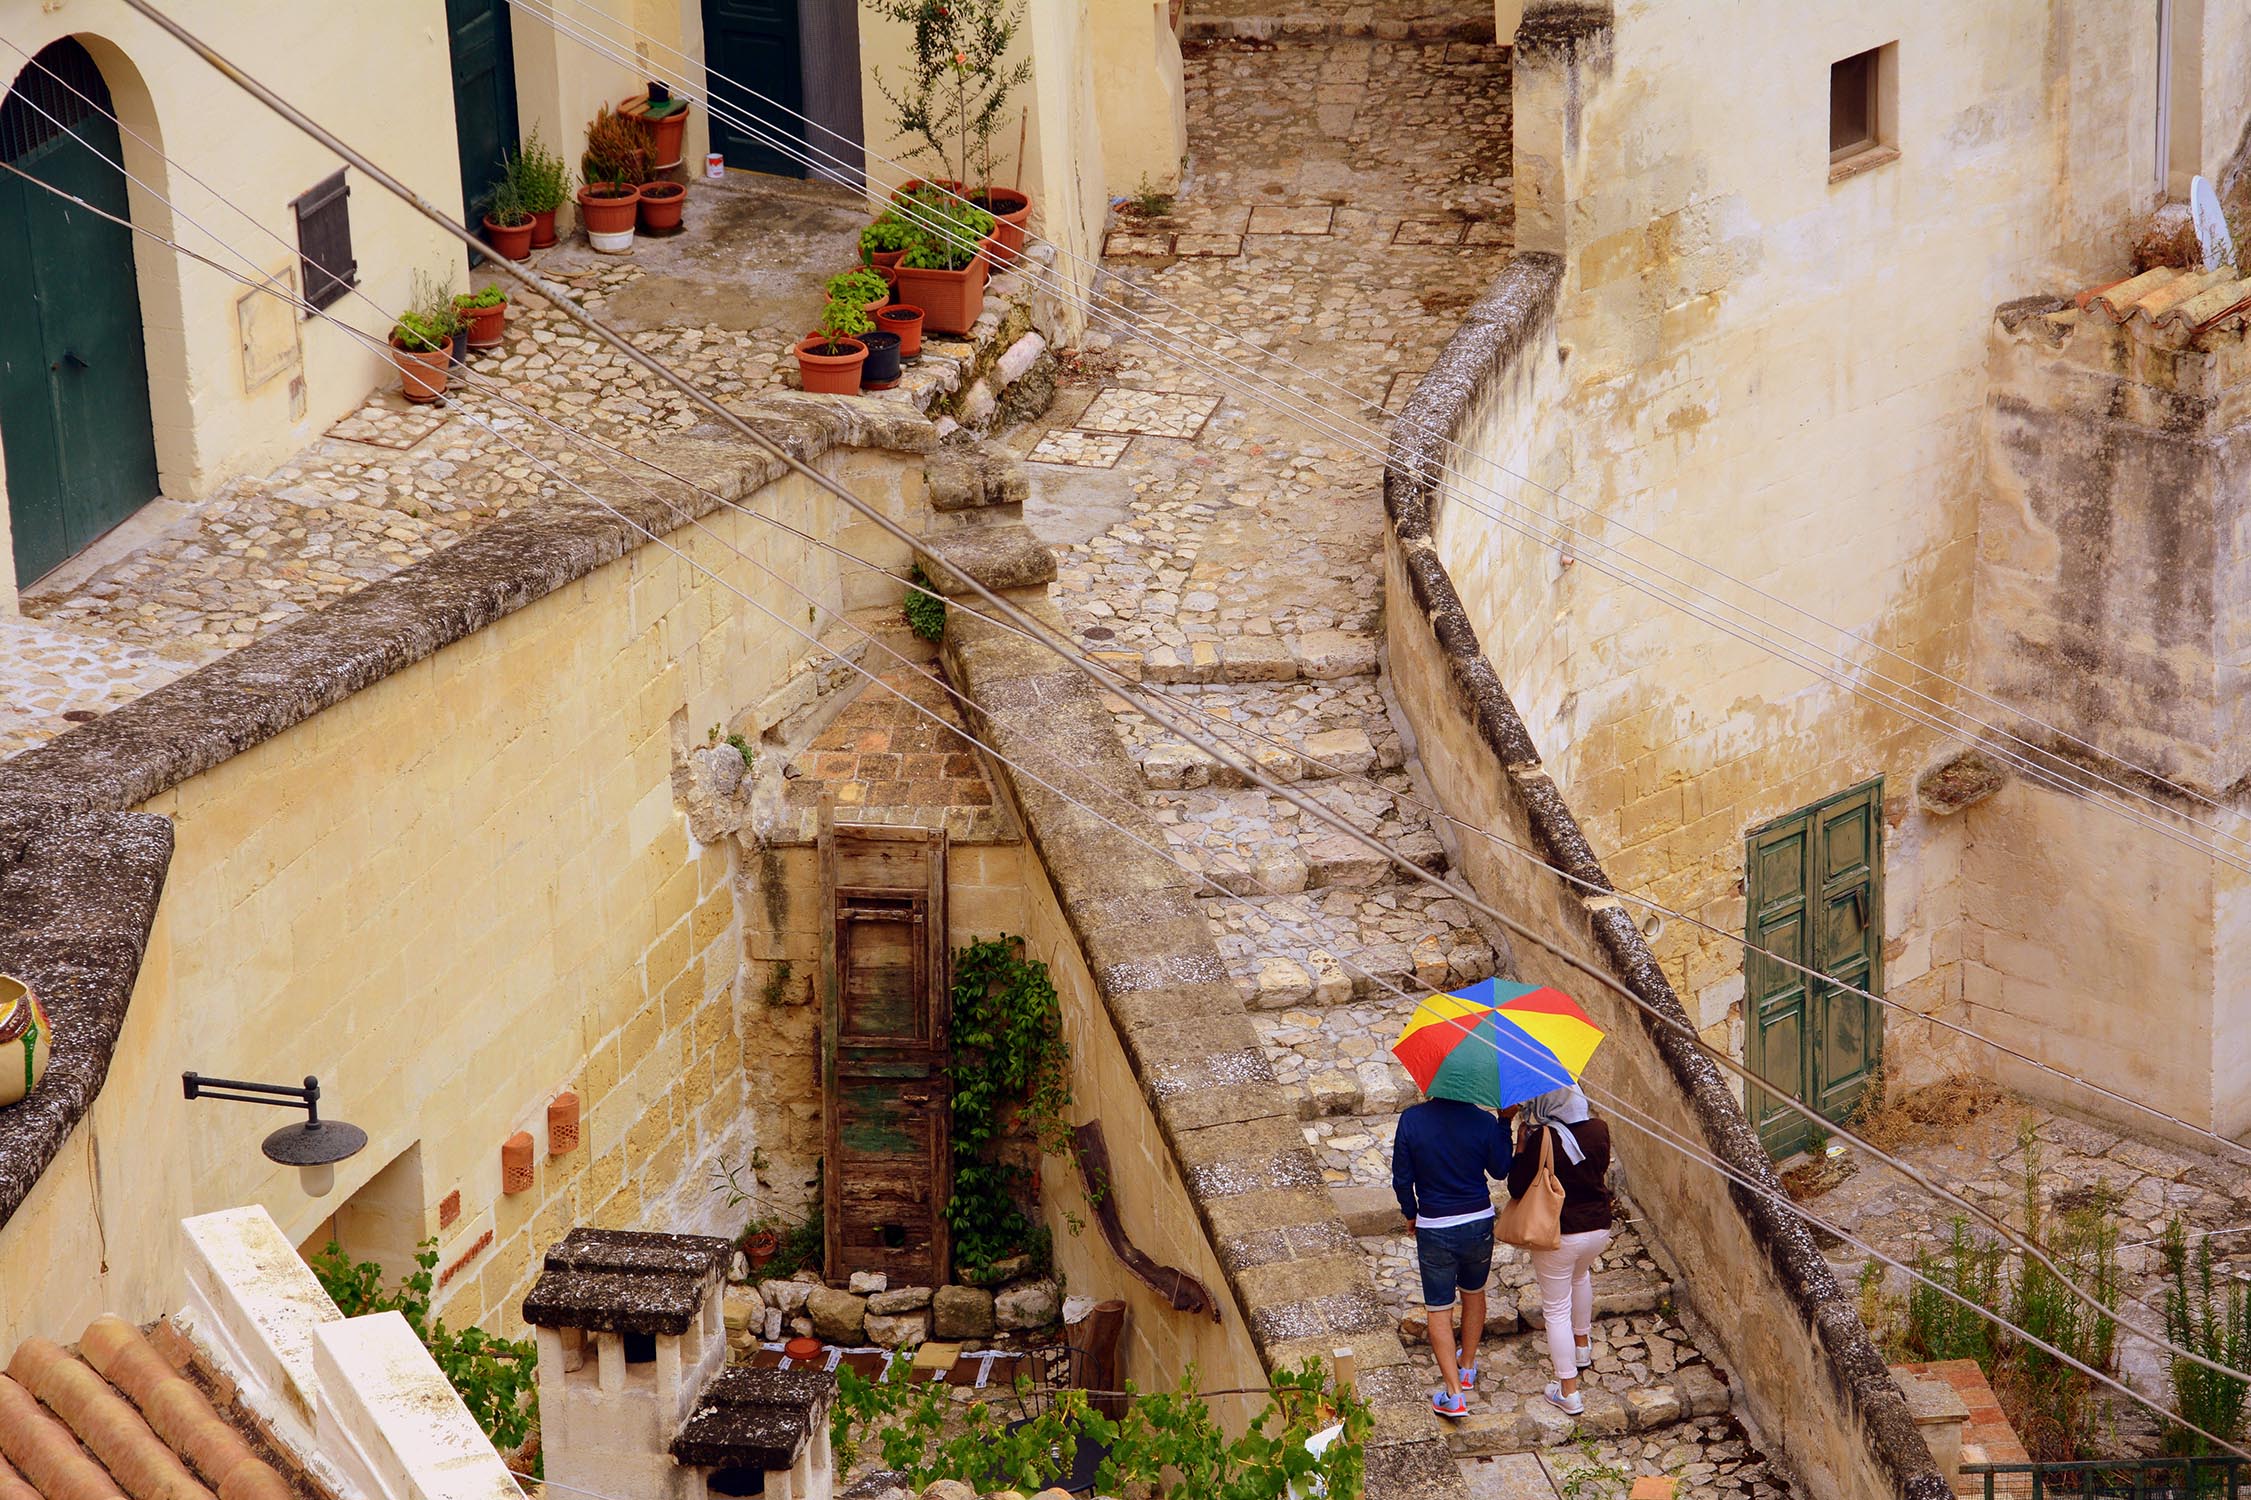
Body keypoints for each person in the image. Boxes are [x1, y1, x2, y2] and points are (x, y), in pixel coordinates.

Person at [1391, 1095, 1513, 1418]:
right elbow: (1501, 1169)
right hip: (1478, 1221)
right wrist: (1505, 1122)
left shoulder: (1412, 1121)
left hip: (1435, 1225)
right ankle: (1468, 1366)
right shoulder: (1483, 1121)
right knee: (1474, 1292)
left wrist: (1410, 1211)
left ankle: (1453, 1393)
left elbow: (1402, 1178)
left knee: (1439, 1309)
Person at [1506, 1084, 1614, 1415]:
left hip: (1560, 1233)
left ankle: (1568, 1390)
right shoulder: (1599, 1128)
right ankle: (1582, 1346)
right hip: (1597, 1228)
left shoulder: (1543, 1139)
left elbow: (1516, 1187)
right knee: (1580, 1280)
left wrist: (1522, 1147)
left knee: (1555, 1309)